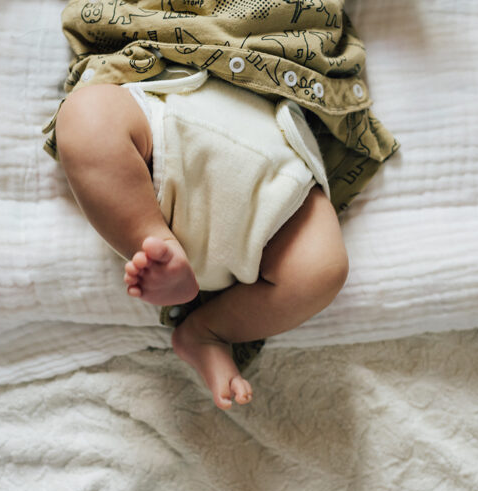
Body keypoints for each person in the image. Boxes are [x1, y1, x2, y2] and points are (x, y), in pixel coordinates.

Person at [44, 0, 397, 410]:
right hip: (167, 95)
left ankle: (209, 331)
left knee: (323, 270)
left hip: (275, 148)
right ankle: (153, 240)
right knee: (86, 117)